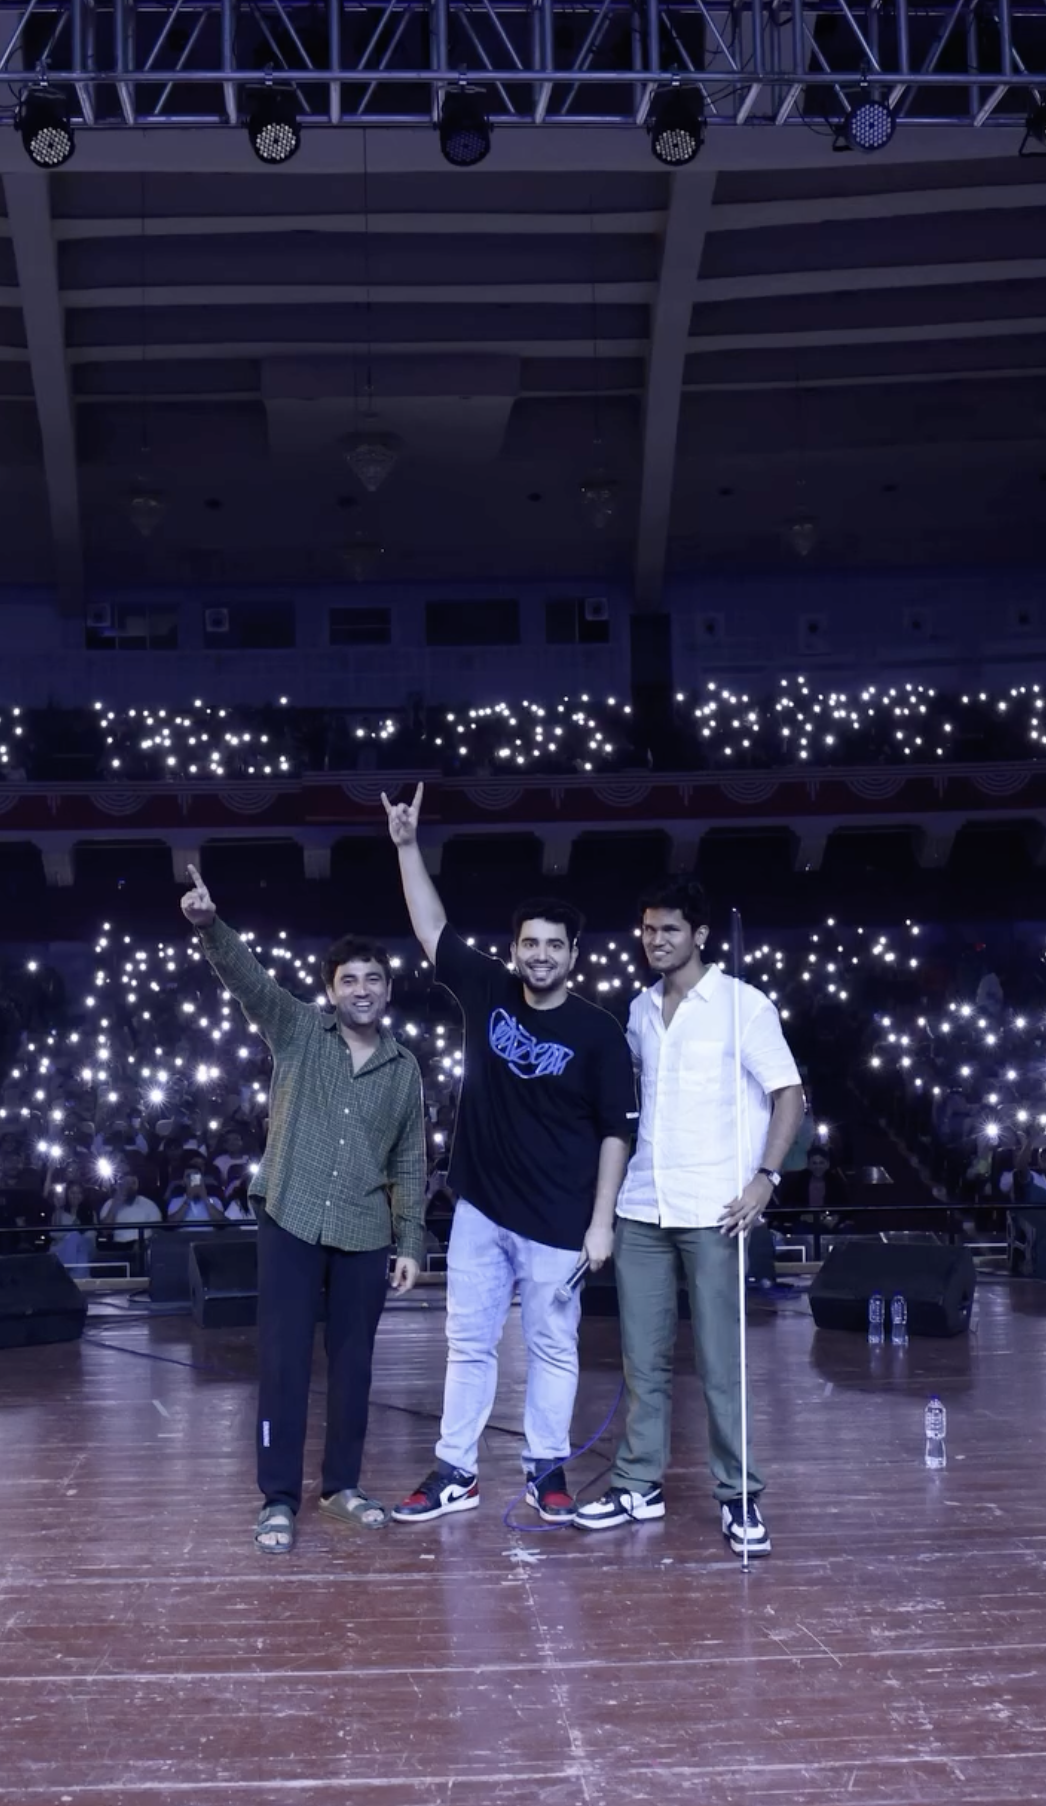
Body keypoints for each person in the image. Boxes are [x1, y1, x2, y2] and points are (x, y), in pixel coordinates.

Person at [382, 783, 635, 1525]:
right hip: (481, 1210)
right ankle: (456, 1471)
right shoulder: (490, 987)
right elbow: (432, 929)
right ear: (515, 947)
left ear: (574, 955)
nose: (541, 955)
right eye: (530, 943)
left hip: (561, 1221)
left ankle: (545, 1470)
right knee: (468, 1344)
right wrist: (405, 847)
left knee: (553, 1351)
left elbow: (617, 1132)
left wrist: (603, 1224)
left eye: (555, 945)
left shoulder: (599, 1033)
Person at [179, 862, 427, 1556]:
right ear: (331, 989)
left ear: (387, 989)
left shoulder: (404, 1069)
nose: (362, 990)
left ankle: (341, 1486)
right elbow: (248, 980)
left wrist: (410, 1240)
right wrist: (210, 927)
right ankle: (278, 1498)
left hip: (363, 1230)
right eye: (349, 979)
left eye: (373, 979)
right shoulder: (296, 1030)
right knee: (285, 1364)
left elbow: (411, 1159)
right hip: (289, 1216)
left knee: (355, 1367)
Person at [574, 878, 805, 1557]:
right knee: (641, 1360)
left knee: (718, 1361)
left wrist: (766, 1178)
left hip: (717, 1209)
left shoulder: (743, 1005)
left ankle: (739, 1495)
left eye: (669, 929)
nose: (656, 940)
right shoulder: (639, 1010)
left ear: (700, 934)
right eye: (648, 930)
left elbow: (788, 1094)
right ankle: (638, 1484)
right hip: (644, 1205)